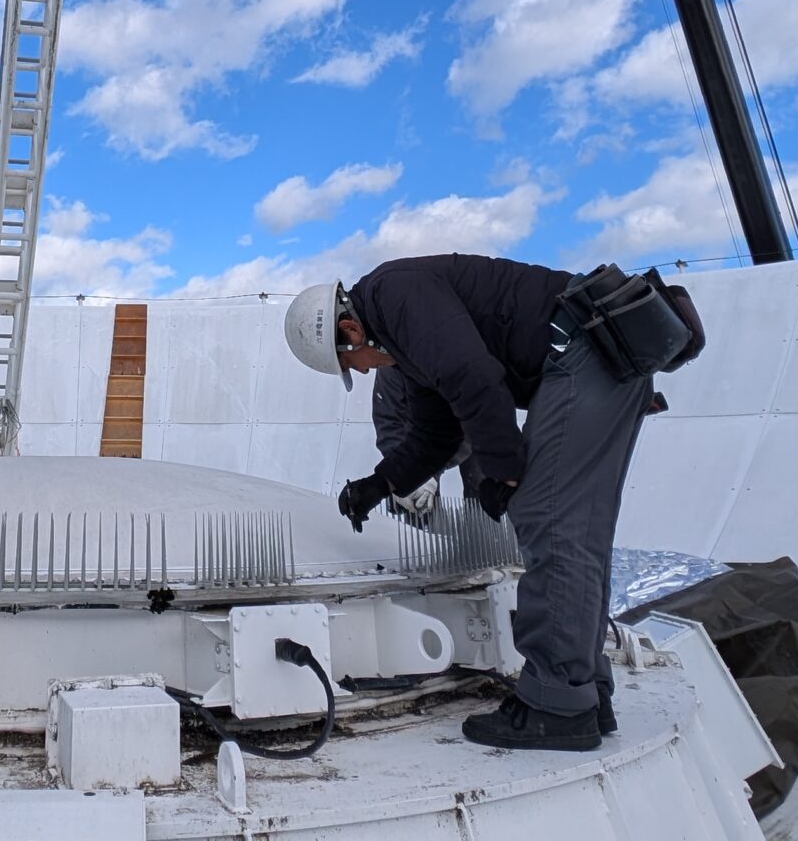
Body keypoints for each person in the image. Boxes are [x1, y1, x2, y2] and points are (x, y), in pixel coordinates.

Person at [286, 255, 701, 752]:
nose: (360, 370)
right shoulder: (405, 336)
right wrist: (378, 484)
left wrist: (504, 470)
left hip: (582, 357)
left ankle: (556, 705)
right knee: (574, 531)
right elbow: (436, 431)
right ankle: (584, 690)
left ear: (350, 330)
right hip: (596, 358)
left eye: (350, 363)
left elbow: (475, 377)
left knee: (550, 524)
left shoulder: (394, 296)